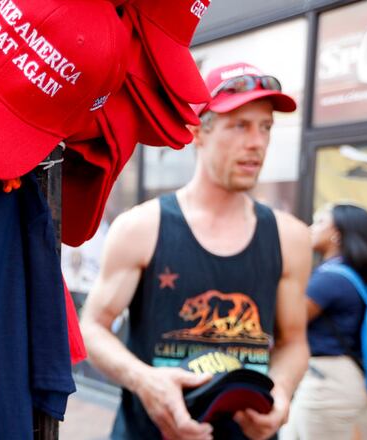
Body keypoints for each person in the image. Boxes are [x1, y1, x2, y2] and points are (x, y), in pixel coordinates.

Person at [79, 62, 312, 440]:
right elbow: (91, 328)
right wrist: (147, 382)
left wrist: (281, 392)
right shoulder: (142, 227)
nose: (257, 142)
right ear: (196, 132)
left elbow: (294, 342)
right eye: (239, 125)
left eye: (265, 126)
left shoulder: (290, 237)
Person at [279, 204, 367, 440]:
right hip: (336, 379)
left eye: (320, 222)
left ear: (337, 234)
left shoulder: (331, 279)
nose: (311, 229)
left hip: (329, 384)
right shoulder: (351, 273)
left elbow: (286, 322)